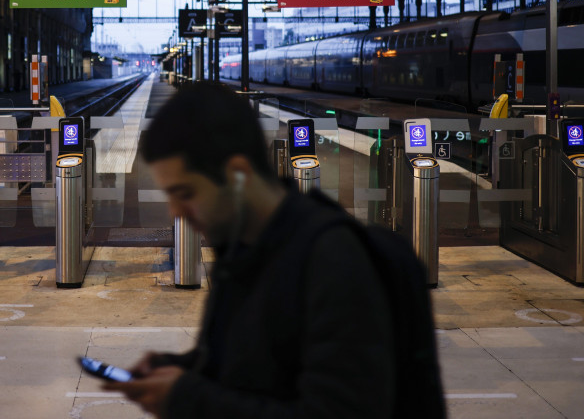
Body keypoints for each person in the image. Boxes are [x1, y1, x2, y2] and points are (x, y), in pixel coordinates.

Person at [103, 82, 425, 418]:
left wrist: (188, 399)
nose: (174, 212)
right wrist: (182, 368)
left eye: (184, 193)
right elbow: (254, 361)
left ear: (238, 175)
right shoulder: (241, 248)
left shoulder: (334, 259)